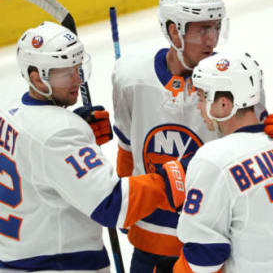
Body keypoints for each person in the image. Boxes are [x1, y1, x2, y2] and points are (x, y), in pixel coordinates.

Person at [0, 21, 186, 271]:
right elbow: (111, 205)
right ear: (37, 78)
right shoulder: (59, 133)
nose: (78, 78)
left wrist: (76, 131)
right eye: (66, 73)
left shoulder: (10, 113)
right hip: (58, 265)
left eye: (78, 68)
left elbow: (38, 154)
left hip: (18, 258)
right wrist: (167, 180)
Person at [111, 0, 267, 272]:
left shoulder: (234, 78)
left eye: (215, 28)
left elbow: (252, 155)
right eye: (201, 29)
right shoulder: (131, 77)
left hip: (210, 242)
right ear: (174, 31)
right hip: (149, 240)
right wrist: (126, 205)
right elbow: (127, 150)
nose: (212, 39)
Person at [172, 52, 273, 272]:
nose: (198, 107)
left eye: (202, 98)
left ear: (223, 104)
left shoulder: (213, 158)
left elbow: (205, 255)